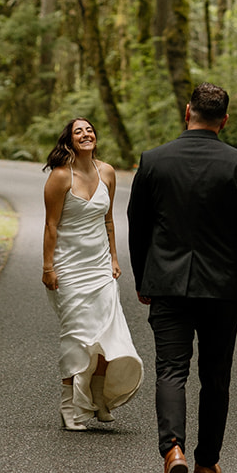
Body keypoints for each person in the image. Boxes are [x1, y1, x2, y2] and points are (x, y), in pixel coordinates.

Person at [127, 81, 237, 473]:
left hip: (167, 284)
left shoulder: (153, 161)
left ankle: (173, 452)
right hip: (221, 288)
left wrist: (144, 279)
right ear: (225, 119)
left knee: (170, 370)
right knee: (215, 376)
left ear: (186, 111)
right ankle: (207, 462)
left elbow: (139, 227)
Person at [42, 116, 143, 430]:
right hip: (69, 268)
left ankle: (98, 402)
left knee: (105, 335)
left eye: (89, 130)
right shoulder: (60, 177)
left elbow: (109, 220)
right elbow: (51, 226)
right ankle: (69, 407)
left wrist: (113, 258)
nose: (85, 134)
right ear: (69, 140)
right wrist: (48, 267)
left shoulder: (107, 172)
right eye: (78, 131)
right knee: (77, 337)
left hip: (100, 268)